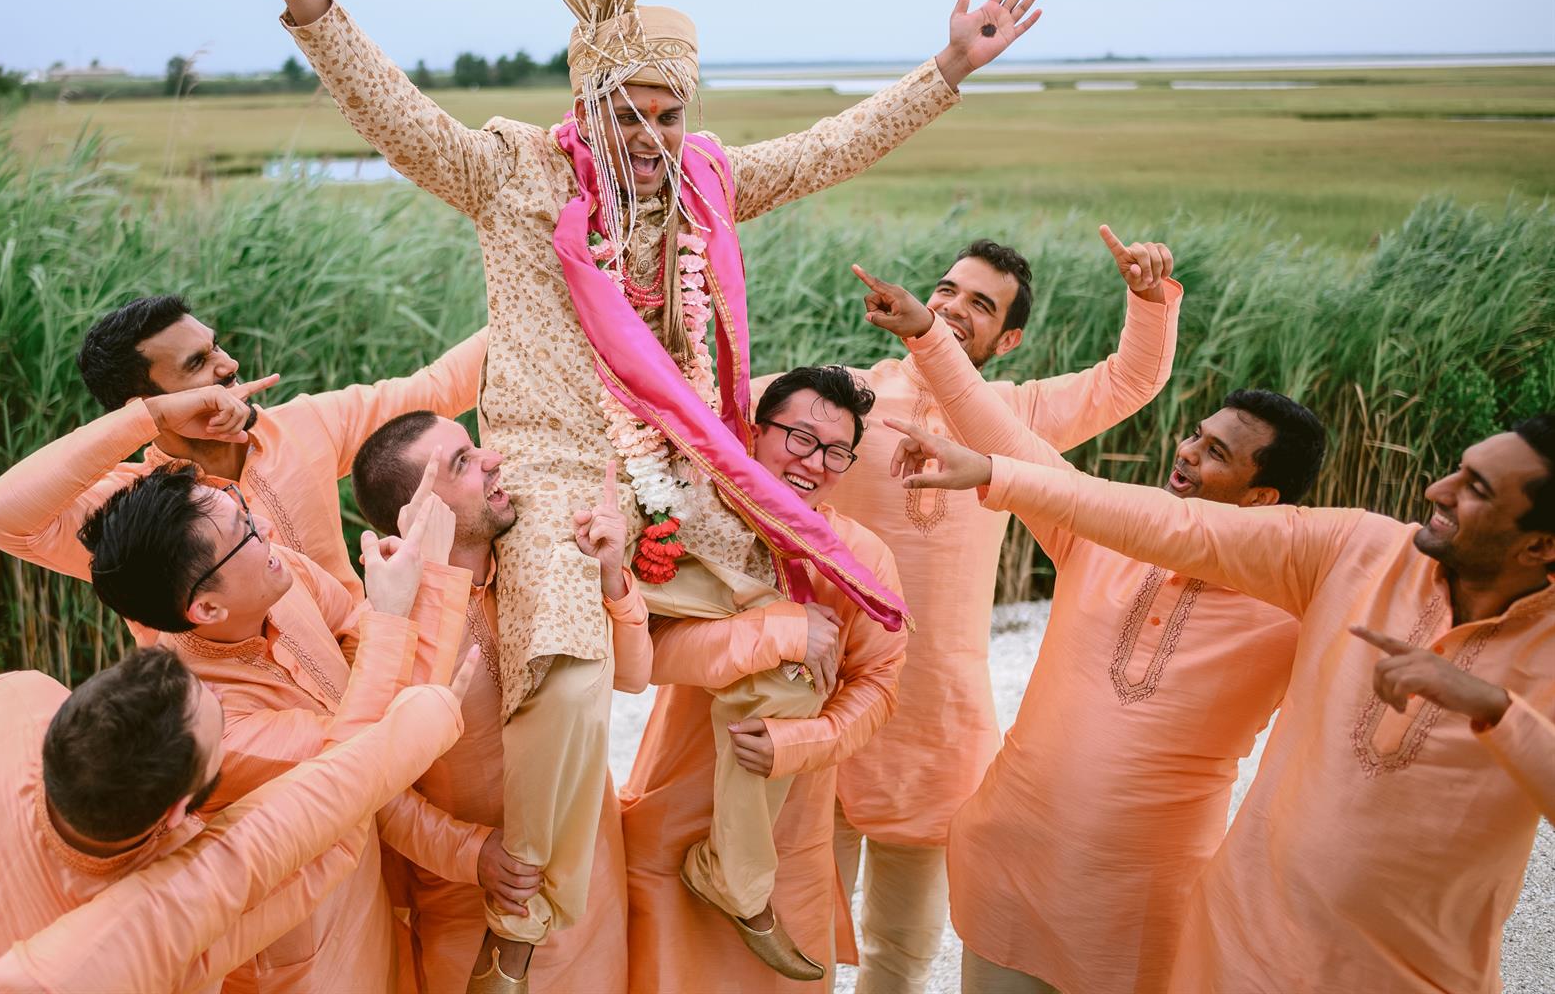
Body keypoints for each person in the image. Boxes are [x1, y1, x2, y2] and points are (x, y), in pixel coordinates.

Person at [199, 0, 1040, 987]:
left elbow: (826, 149)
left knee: (803, 638)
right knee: (570, 678)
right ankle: (530, 915)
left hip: (683, 472)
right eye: (628, 115)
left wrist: (947, 70)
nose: (650, 137)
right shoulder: (512, 173)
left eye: (669, 114)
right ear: (587, 108)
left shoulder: (705, 184)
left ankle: (735, 871)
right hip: (551, 476)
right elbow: (395, 119)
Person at [889, 414, 1555, 993]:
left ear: (1540, 546)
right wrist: (998, 474)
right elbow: (1179, 525)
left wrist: (1499, 712)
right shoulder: (1360, 550)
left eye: (1477, 489)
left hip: (1405, 977)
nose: (1438, 490)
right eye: (1457, 470)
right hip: (1234, 952)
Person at [861, 265, 1315, 992]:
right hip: (1011, 864)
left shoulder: (1292, 609)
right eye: (1196, 436)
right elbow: (1000, 433)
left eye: (1216, 453)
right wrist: (925, 334)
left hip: (1139, 900)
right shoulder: (1103, 531)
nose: (1187, 452)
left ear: (1264, 498)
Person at [0, 371, 480, 994]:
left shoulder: (277, 571)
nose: (264, 527)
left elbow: (356, 639)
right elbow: (362, 766)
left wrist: (384, 617)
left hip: (373, 895)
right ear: (206, 609)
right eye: (244, 533)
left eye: (242, 510)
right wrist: (414, 594)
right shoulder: (211, 722)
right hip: (304, 956)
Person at [783, 228, 1183, 993]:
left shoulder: (1016, 415)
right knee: (798, 938)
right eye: (947, 289)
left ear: (1009, 340)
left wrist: (1148, 298)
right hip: (825, 686)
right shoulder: (843, 394)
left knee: (900, 950)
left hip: (935, 712)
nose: (953, 307)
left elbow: (1128, 380)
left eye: (981, 304)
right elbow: (726, 404)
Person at [0, 645, 477, 993]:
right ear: (179, 810)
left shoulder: (6, 703)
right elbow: (328, 829)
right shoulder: (175, 910)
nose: (220, 699)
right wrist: (432, 712)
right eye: (218, 726)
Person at [621, 365, 906, 990]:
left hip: (788, 831)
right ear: (753, 432)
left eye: (836, 452)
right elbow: (641, 656)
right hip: (675, 805)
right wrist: (777, 632)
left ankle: (739, 879)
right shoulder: (691, 523)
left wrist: (799, 741)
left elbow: (879, 684)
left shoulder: (861, 557)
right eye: (800, 438)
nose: (814, 462)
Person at [352, 412, 652, 992]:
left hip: (588, 883)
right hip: (472, 906)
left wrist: (613, 582)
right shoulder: (387, 626)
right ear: (421, 512)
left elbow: (636, 678)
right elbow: (378, 794)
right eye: (463, 462)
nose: (493, 460)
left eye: (475, 446)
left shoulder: (542, 561)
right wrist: (475, 854)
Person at [0, 291, 484, 606]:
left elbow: (439, 387)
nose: (228, 365)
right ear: (147, 404)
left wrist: (532, 297)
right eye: (197, 364)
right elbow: (1, 518)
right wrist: (149, 420)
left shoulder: (302, 424)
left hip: (373, 675)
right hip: (255, 726)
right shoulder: (131, 511)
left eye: (215, 346)